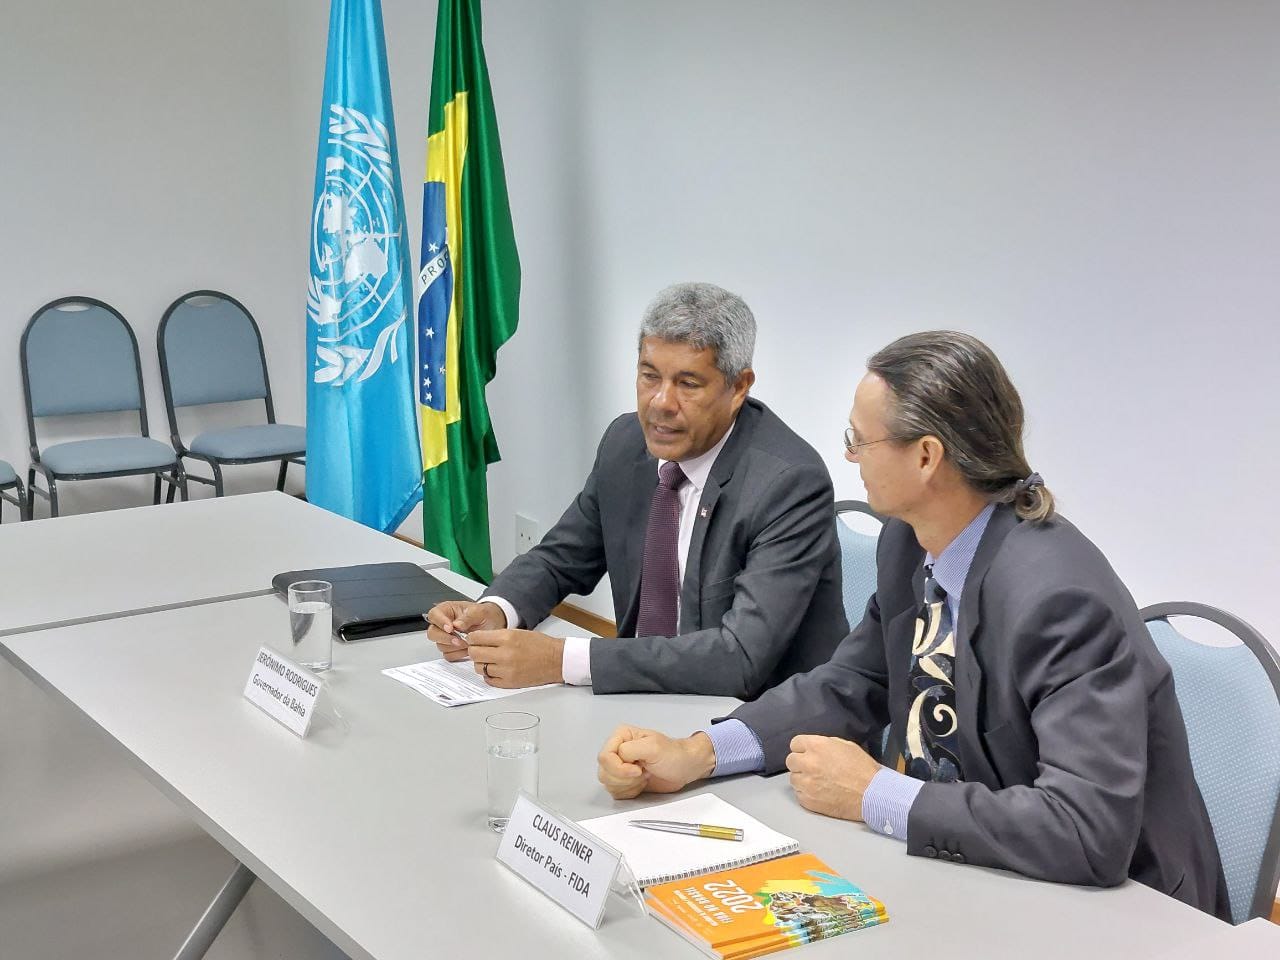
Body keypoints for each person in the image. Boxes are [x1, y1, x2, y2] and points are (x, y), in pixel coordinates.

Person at [596, 330, 1229, 919]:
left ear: (927, 457)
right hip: (981, 876)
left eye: (859, 439)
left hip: (1125, 910)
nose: (849, 456)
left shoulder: (1058, 597)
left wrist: (876, 793)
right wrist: (700, 753)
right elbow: (850, 683)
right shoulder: (909, 542)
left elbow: (1087, 830)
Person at [426, 281, 848, 697]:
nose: (661, 402)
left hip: (763, 720)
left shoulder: (788, 483)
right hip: (646, 700)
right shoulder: (624, 444)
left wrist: (560, 659)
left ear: (738, 387)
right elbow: (560, 559)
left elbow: (739, 657)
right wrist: (496, 610)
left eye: (688, 384)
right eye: (649, 376)